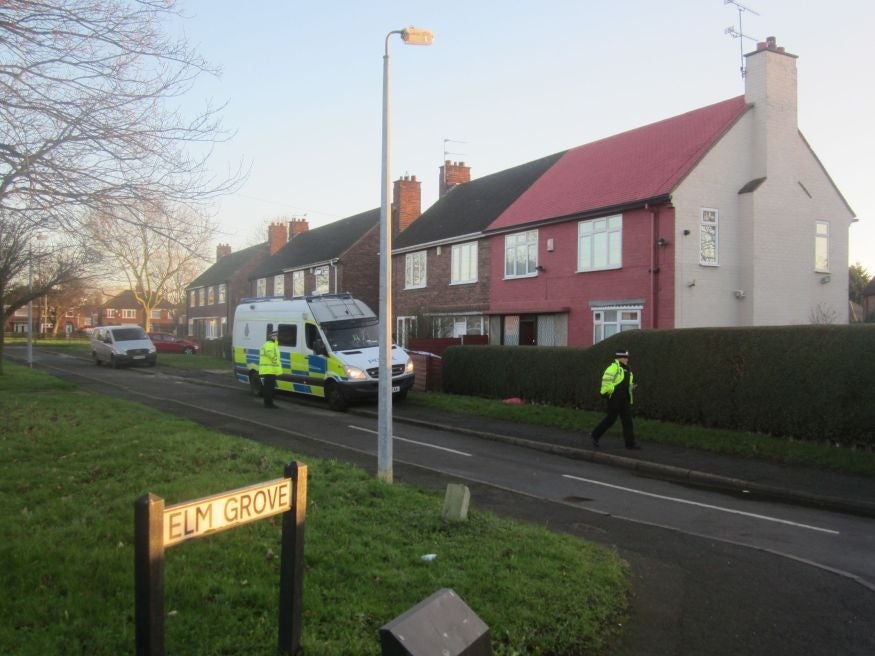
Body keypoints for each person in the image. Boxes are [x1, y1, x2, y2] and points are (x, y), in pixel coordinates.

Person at [590, 349, 640, 450]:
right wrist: (611, 391)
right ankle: (595, 435)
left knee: (627, 420)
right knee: (611, 419)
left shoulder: (628, 369)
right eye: (625, 357)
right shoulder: (613, 368)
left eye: (627, 357)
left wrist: (631, 387)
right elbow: (606, 381)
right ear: (619, 358)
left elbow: (625, 383)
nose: (627, 359)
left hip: (625, 398)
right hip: (614, 398)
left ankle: (630, 444)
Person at [259, 330, 281, 409]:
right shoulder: (269, 344)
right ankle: (268, 404)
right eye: (276, 336)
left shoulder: (272, 344)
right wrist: (275, 359)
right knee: (269, 388)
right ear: (272, 337)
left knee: (269, 388)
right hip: (269, 370)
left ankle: (268, 404)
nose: (277, 338)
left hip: (270, 370)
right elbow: (270, 354)